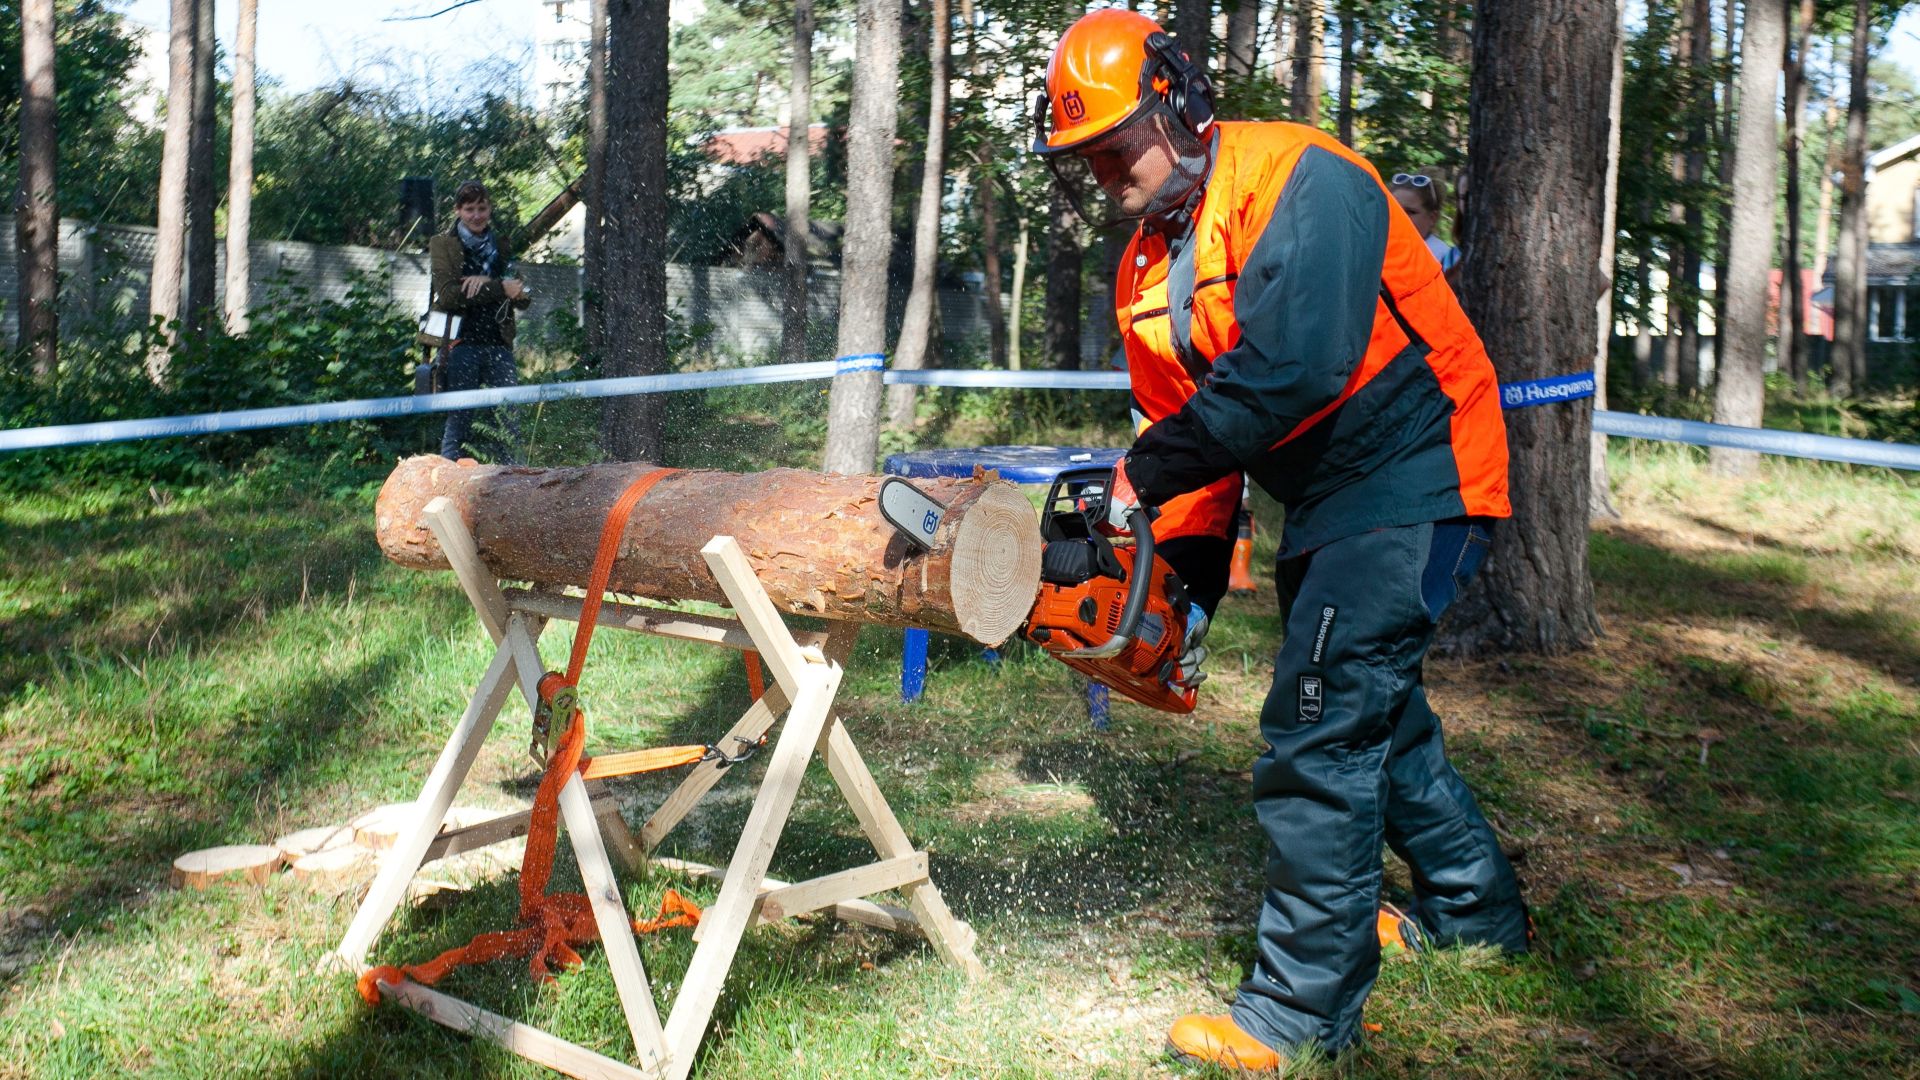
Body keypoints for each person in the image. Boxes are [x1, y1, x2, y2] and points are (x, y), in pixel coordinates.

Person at [1031, 9, 1529, 1071]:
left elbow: (1298, 365)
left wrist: (1144, 474)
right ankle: (1476, 916)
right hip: (1332, 496)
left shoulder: (1304, 180)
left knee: (1321, 726)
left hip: (1421, 467)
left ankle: (1300, 1014)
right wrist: (1178, 598)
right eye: (1086, 163)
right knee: (1373, 719)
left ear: (1176, 105)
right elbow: (1191, 450)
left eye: (1115, 146)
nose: (1107, 177)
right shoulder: (1142, 274)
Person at [429, 180, 531, 463]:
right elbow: (448, 295)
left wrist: (488, 282)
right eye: (469, 208)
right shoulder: (443, 244)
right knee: (459, 421)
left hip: (499, 343)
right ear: (458, 211)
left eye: (482, 208)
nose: (476, 215)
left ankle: (515, 483)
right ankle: (446, 483)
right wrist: (499, 288)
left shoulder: (502, 244)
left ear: (490, 209)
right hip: (461, 345)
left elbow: (522, 296)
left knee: (509, 420)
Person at [1389, 171, 1466, 293]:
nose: (1400, 216)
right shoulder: (1377, 251)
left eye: (1410, 212)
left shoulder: (1444, 259)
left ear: (1432, 218)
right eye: (1394, 208)